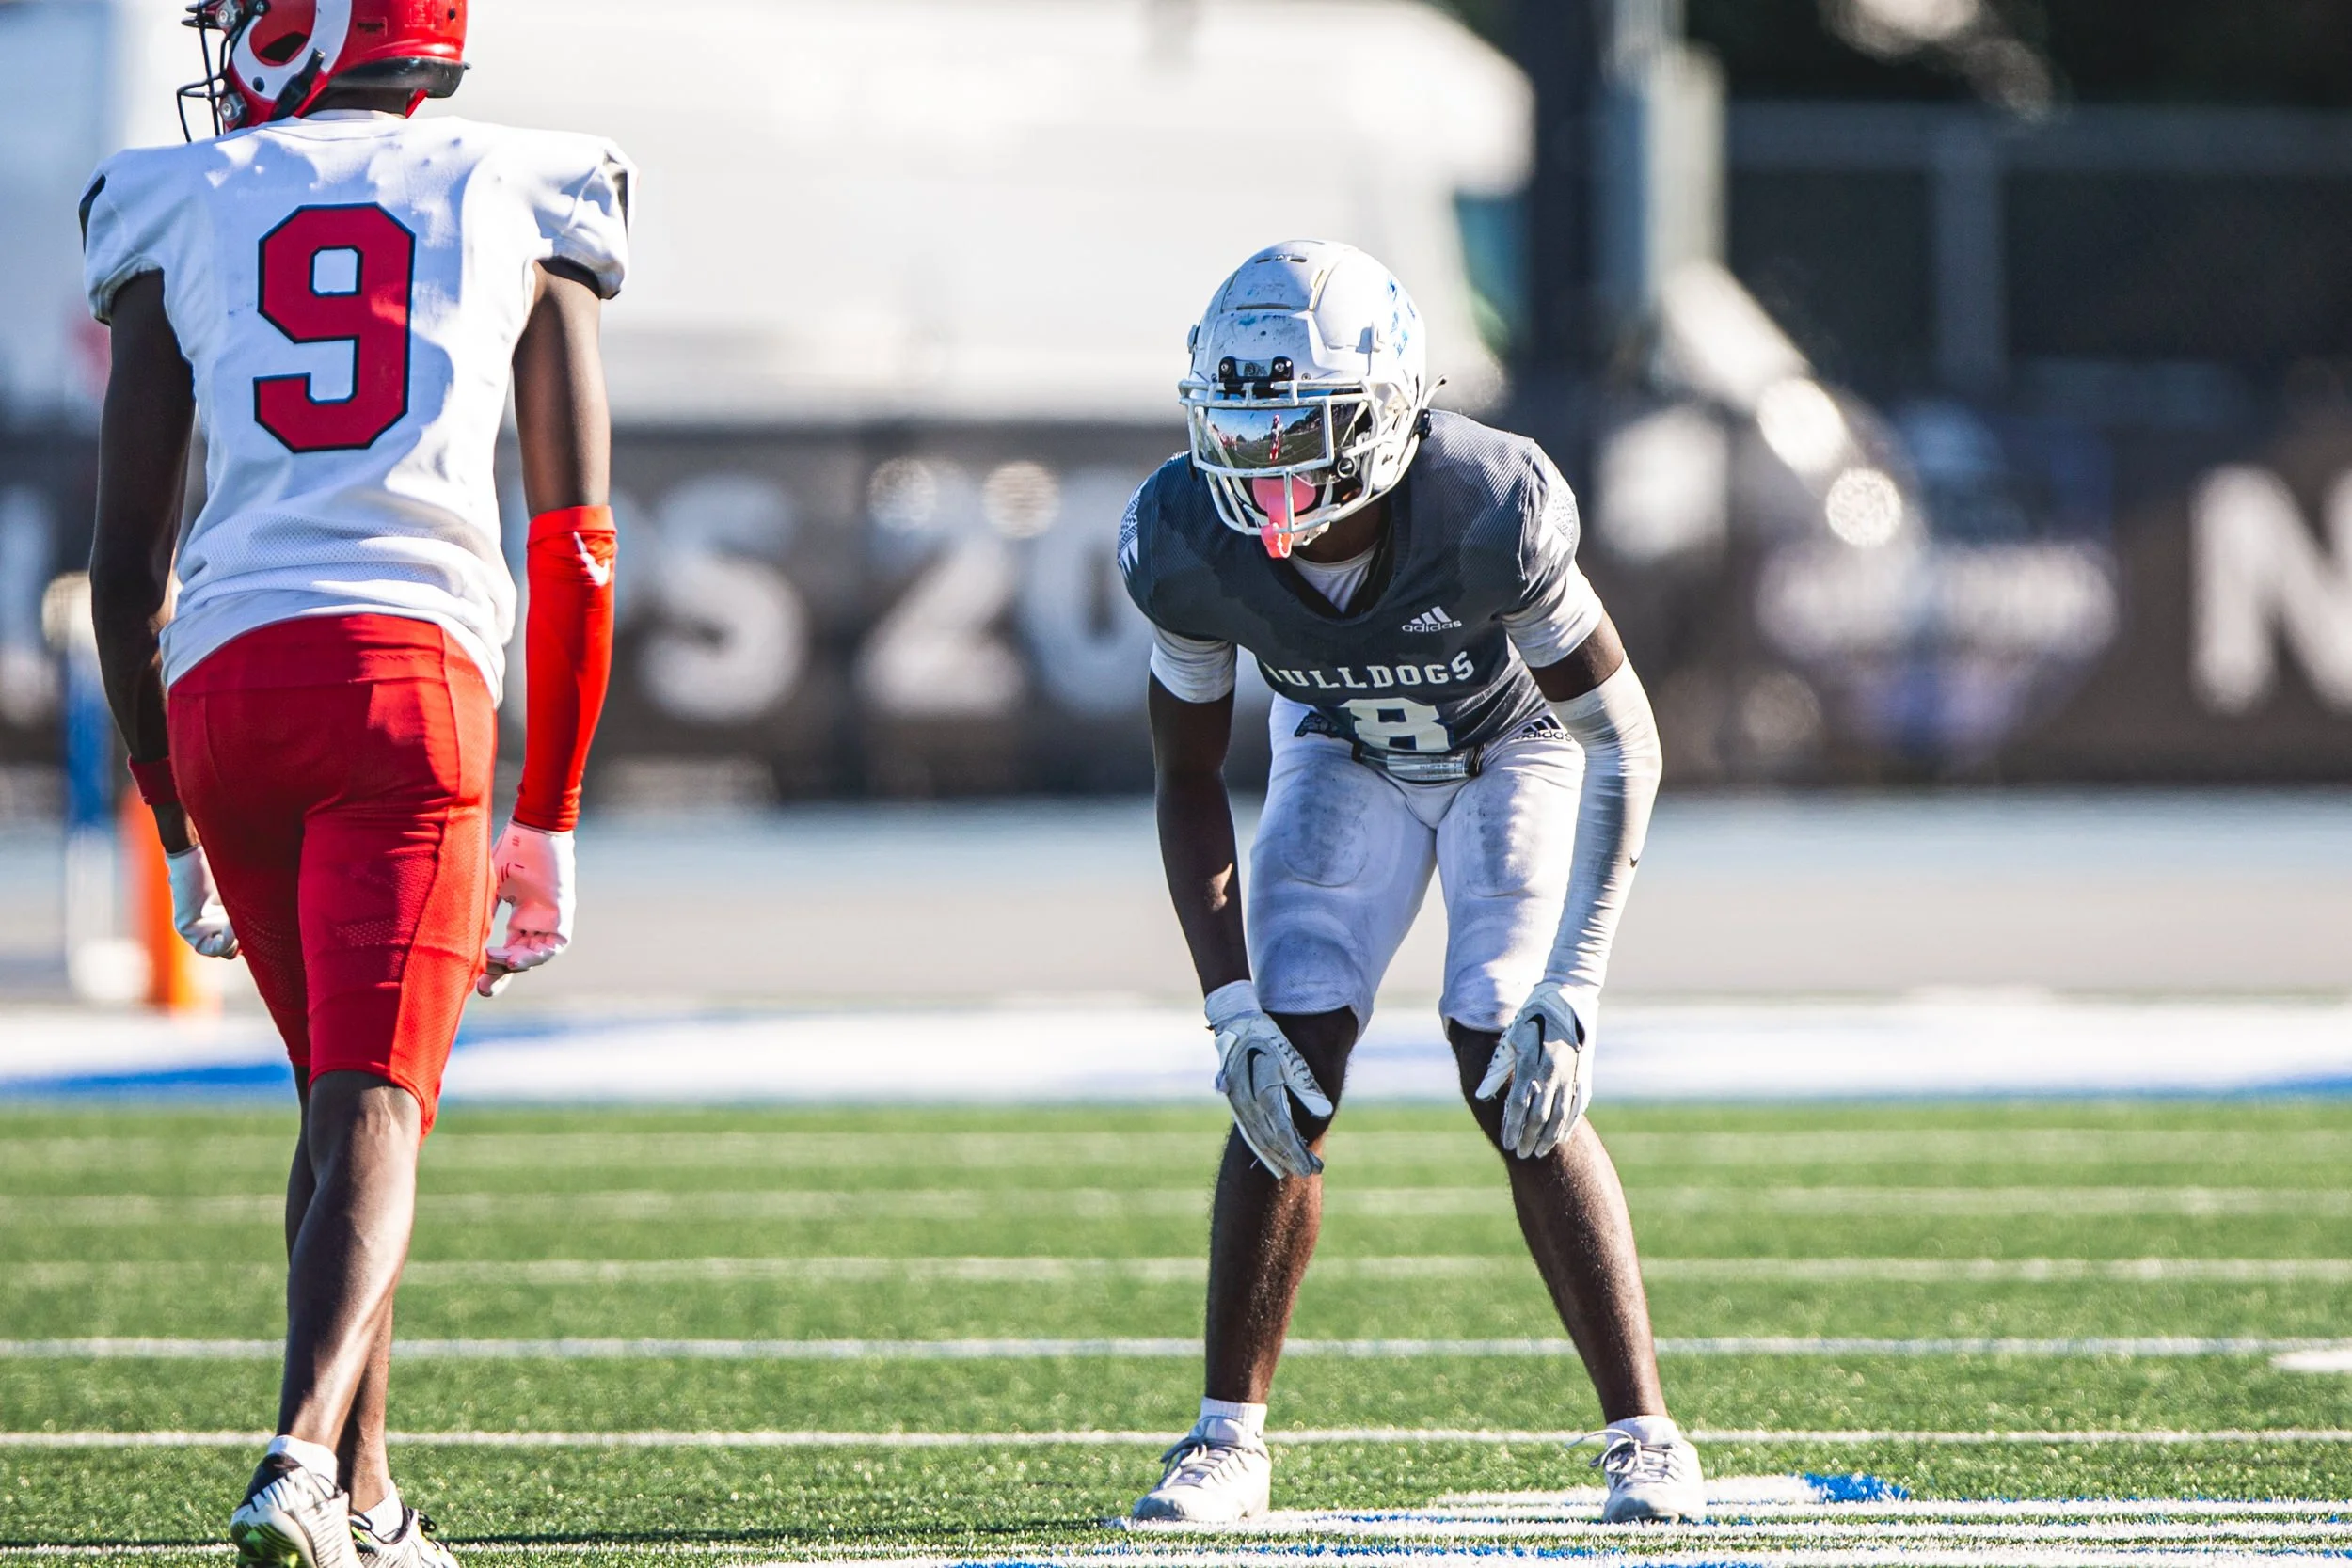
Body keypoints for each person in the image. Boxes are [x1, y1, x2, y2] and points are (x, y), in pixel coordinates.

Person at [81, 3, 628, 1561]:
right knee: (380, 1103)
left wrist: (171, 814)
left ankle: (368, 1500)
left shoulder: (184, 199)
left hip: (224, 691)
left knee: (339, 1107)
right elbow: (577, 543)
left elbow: (123, 572)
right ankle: (300, 1456)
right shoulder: (523, 184)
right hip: (406, 687)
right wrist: (550, 813)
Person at [1118, 241, 1704, 1526]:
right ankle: (1226, 1440)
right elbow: (1186, 774)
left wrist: (1576, 987)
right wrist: (1228, 1008)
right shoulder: (1185, 538)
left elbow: (1623, 740)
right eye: (1243, 425)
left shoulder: (1486, 504)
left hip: (1513, 747)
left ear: (1385, 410)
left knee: (1508, 1047)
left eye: (1299, 425)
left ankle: (1645, 1432)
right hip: (1344, 750)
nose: (1262, 461)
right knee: (1287, 1061)